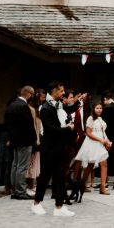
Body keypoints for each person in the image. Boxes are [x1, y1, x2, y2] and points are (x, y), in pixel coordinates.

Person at [31, 81, 76, 217]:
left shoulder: (58, 106)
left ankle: (59, 206)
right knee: (45, 176)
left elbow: (66, 114)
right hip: (49, 148)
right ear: (54, 91)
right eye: (61, 91)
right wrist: (68, 128)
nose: (63, 93)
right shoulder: (45, 108)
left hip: (59, 146)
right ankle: (36, 203)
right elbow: (51, 130)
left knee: (60, 176)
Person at [5, 85, 36, 200]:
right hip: (24, 140)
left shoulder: (12, 105)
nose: (32, 97)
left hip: (15, 140)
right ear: (28, 94)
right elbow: (28, 124)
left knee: (15, 165)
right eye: (32, 94)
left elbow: (8, 124)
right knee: (22, 167)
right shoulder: (23, 106)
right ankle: (20, 191)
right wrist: (33, 139)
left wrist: (11, 138)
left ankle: (14, 190)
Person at [74, 102, 112, 195]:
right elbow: (88, 133)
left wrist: (107, 140)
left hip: (100, 143)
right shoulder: (90, 118)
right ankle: (81, 184)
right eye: (97, 108)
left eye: (101, 108)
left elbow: (102, 132)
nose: (99, 110)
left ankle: (103, 187)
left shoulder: (100, 119)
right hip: (92, 143)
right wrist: (101, 140)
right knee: (90, 165)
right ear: (93, 109)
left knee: (104, 163)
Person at [26, 90, 43, 196]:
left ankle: (31, 185)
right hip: (34, 139)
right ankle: (31, 185)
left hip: (35, 139)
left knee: (32, 164)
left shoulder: (34, 110)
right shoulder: (33, 110)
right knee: (32, 164)